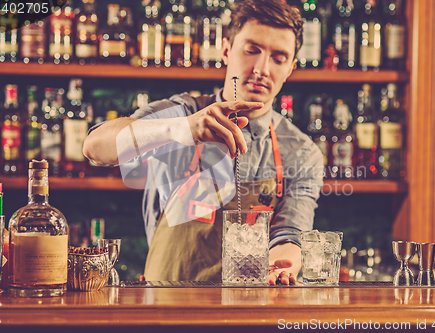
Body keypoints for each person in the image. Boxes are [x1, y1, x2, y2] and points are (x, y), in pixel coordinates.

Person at [83, 0, 324, 285]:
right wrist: (181, 128)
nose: (262, 68)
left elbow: (290, 233)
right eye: (252, 50)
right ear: (225, 50)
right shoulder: (182, 113)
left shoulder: (302, 151)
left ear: (291, 68)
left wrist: (283, 263)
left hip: (249, 312)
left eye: (279, 58)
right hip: (166, 309)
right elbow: (95, 147)